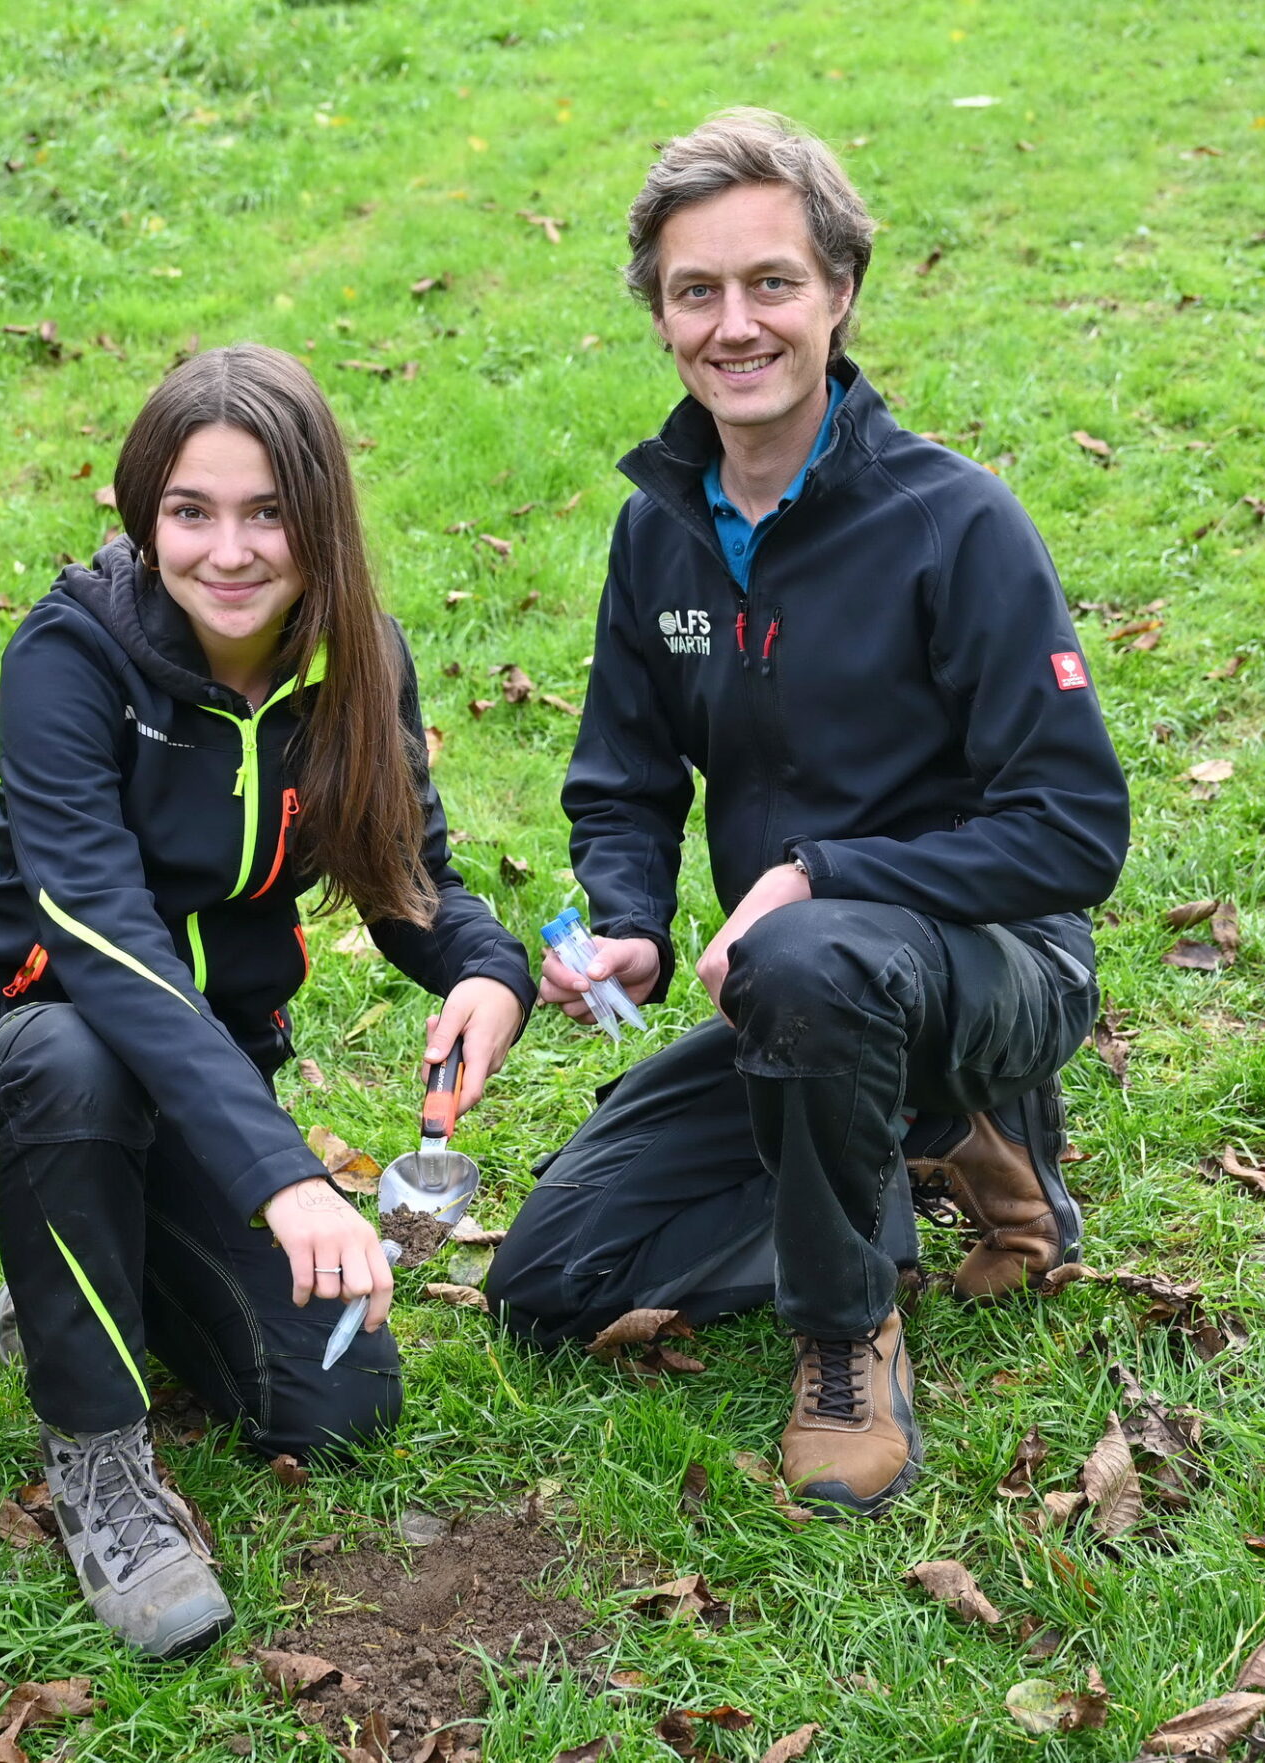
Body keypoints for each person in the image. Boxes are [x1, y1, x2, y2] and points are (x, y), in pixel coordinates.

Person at [483, 110, 1131, 1520]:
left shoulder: (956, 522)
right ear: (660, 315)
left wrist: (819, 874)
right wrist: (633, 921)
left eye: (771, 282)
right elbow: (626, 776)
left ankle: (848, 1333)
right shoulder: (659, 530)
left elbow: (1076, 831)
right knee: (551, 1284)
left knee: (809, 955)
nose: (735, 324)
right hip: (792, 997)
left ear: (840, 290)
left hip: (997, 963)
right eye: (695, 291)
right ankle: (927, 1138)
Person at [0, 344, 534, 1655]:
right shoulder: (70, 656)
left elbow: (403, 866)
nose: (230, 552)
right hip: (19, 1062)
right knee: (77, 1058)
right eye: (191, 511)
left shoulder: (358, 657)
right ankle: (100, 1463)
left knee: (338, 1408)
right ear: (146, 512)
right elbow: (107, 945)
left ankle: (85, 1270)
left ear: (321, 519)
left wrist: (487, 967)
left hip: (205, 1091)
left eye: (268, 514)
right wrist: (282, 1176)